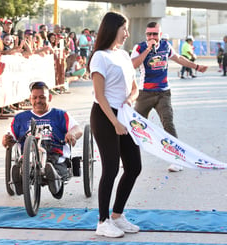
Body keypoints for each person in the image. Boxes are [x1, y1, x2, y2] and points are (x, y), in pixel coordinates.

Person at [88, 12, 141, 238]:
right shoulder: (100, 57)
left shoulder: (124, 55)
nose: (127, 34)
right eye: (124, 29)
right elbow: (100, 96)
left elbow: (135, 87)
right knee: (110, 168)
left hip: (125, 114)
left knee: (134, 167)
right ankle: (103, 221)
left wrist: (130, 100)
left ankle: (117, 215)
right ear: (112, 29)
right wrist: (115, 122)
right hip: (105, 115)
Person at [131, 21, 207, 172]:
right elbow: (132, 64)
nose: (152, 37)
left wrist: (196, 66)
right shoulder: (139, 47)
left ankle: (176, 160)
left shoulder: (166, 46)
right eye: (149, 34)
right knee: (136, 126)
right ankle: (129, 158)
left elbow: (179, 58)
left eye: (155, 34)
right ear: (146, 35)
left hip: (163, 93)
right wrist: (147, 50)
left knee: (168, 124)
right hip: (144, 92)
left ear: (160, 34)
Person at [2, 81, 82, 197]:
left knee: (53, 165)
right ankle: (20, 178)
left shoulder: (59, 115)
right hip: (29, 155)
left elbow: (77, 128)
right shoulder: (20, 118)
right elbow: (9, 137)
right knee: (25, 162)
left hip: (54, 153)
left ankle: (55, 179)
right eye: (34, 98)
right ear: (30, 99)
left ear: (49, 97)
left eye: (42, 97)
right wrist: (6, 140)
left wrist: (72, 134)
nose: (38, 101)